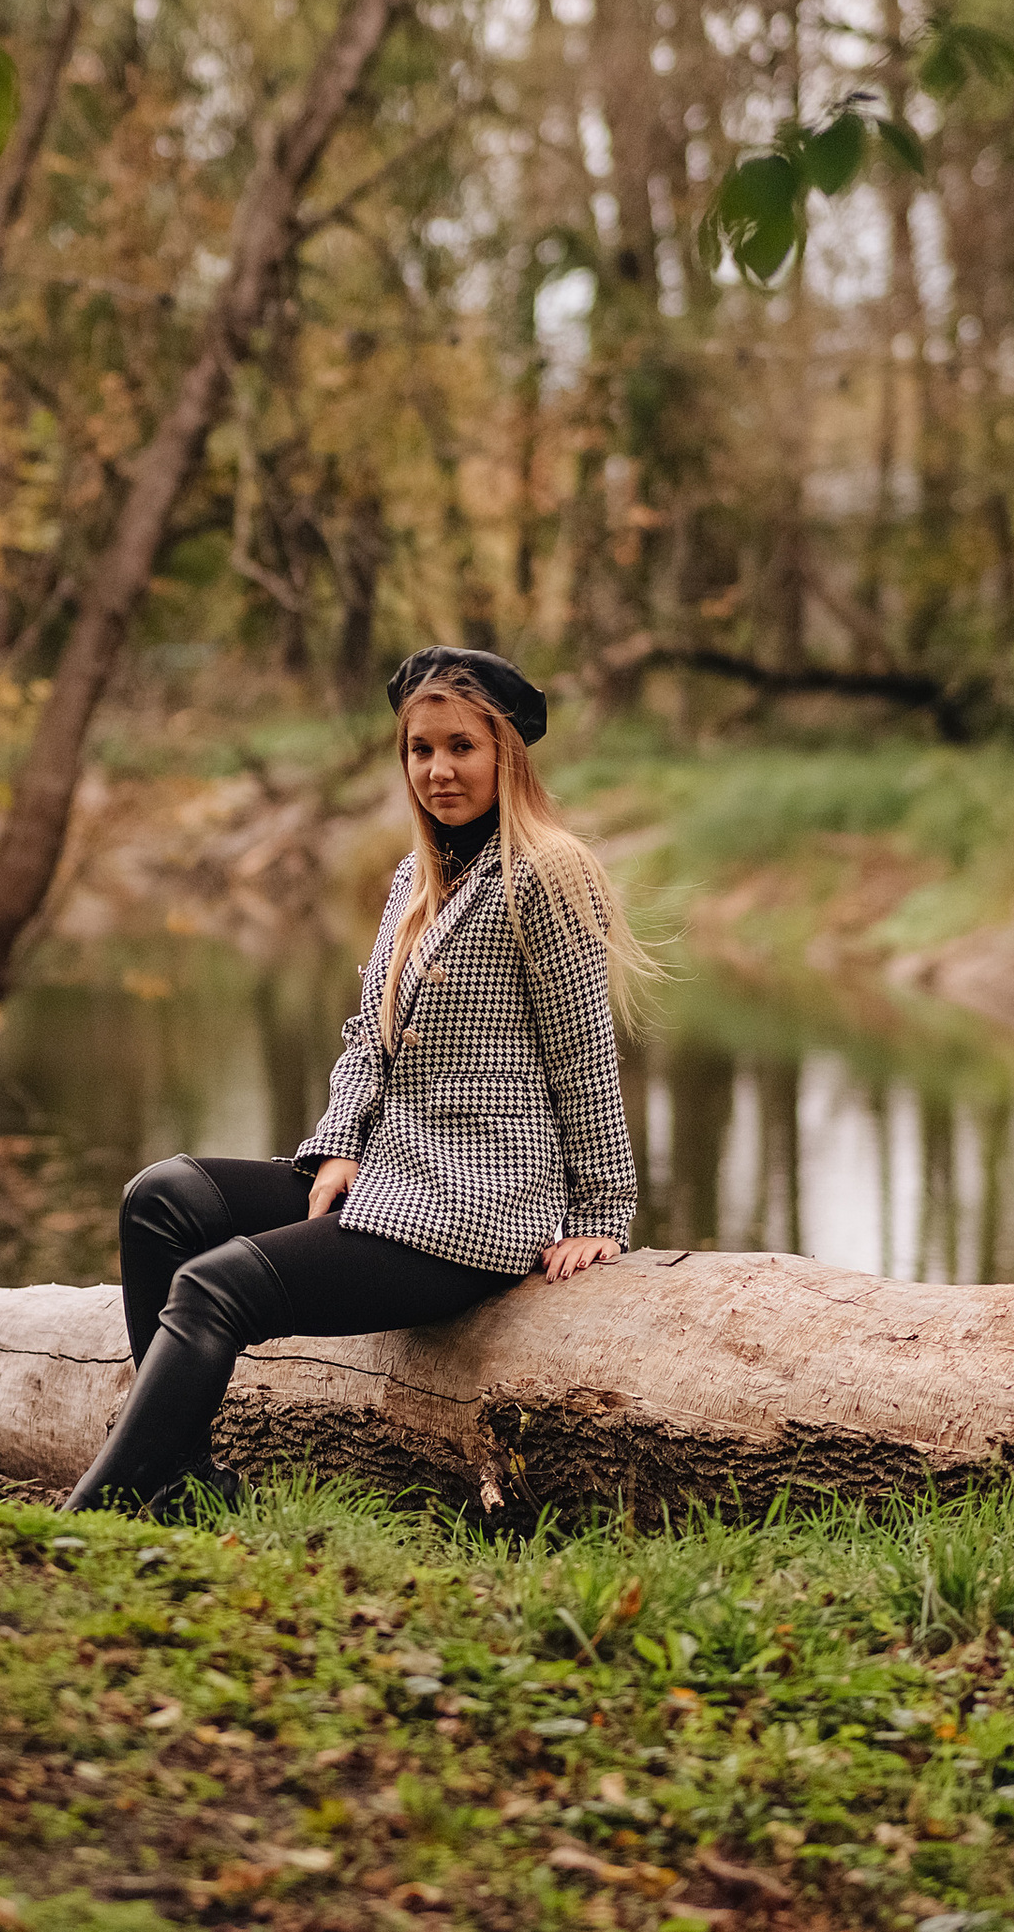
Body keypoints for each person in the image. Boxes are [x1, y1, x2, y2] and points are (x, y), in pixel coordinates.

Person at [64, 645, 648, 1515]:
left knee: (214, 1287)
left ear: (506, 755)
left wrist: (603, 1214)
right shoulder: (418, 880)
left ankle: (95, 1518)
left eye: (462, 746)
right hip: (389, 1178)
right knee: (163, 1200)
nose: (439, 770)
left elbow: (584, 1055)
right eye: (420, 749)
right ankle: (180, 1479)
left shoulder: (547, 878)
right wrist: (337, 1145)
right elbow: (365, 1039)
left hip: (474, 1210)